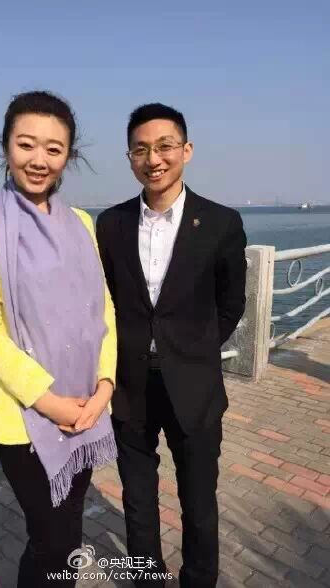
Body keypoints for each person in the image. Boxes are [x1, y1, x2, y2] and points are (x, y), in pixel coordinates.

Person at [0, 90, 117, 587]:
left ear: (69, 155)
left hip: (87, 407)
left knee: (67, 532)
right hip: (24, 415)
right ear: (6, 145)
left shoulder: (82, 224)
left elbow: (104, 310)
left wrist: (105, 387)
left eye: (54, 148)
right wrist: (50, 402)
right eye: (26, 144)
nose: (39, 159)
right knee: (51, 540)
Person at [96, 103, 247, 587]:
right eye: (141, 149)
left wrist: (194, 350)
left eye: (164, 146)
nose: (153, 159)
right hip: (131, 386)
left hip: (194, 386)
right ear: (129, 157)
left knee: (198, 502)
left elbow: (232, 302)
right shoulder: (111, 224)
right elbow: (106, 301)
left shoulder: (221, 222)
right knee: (137, 501)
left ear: (186, 150)